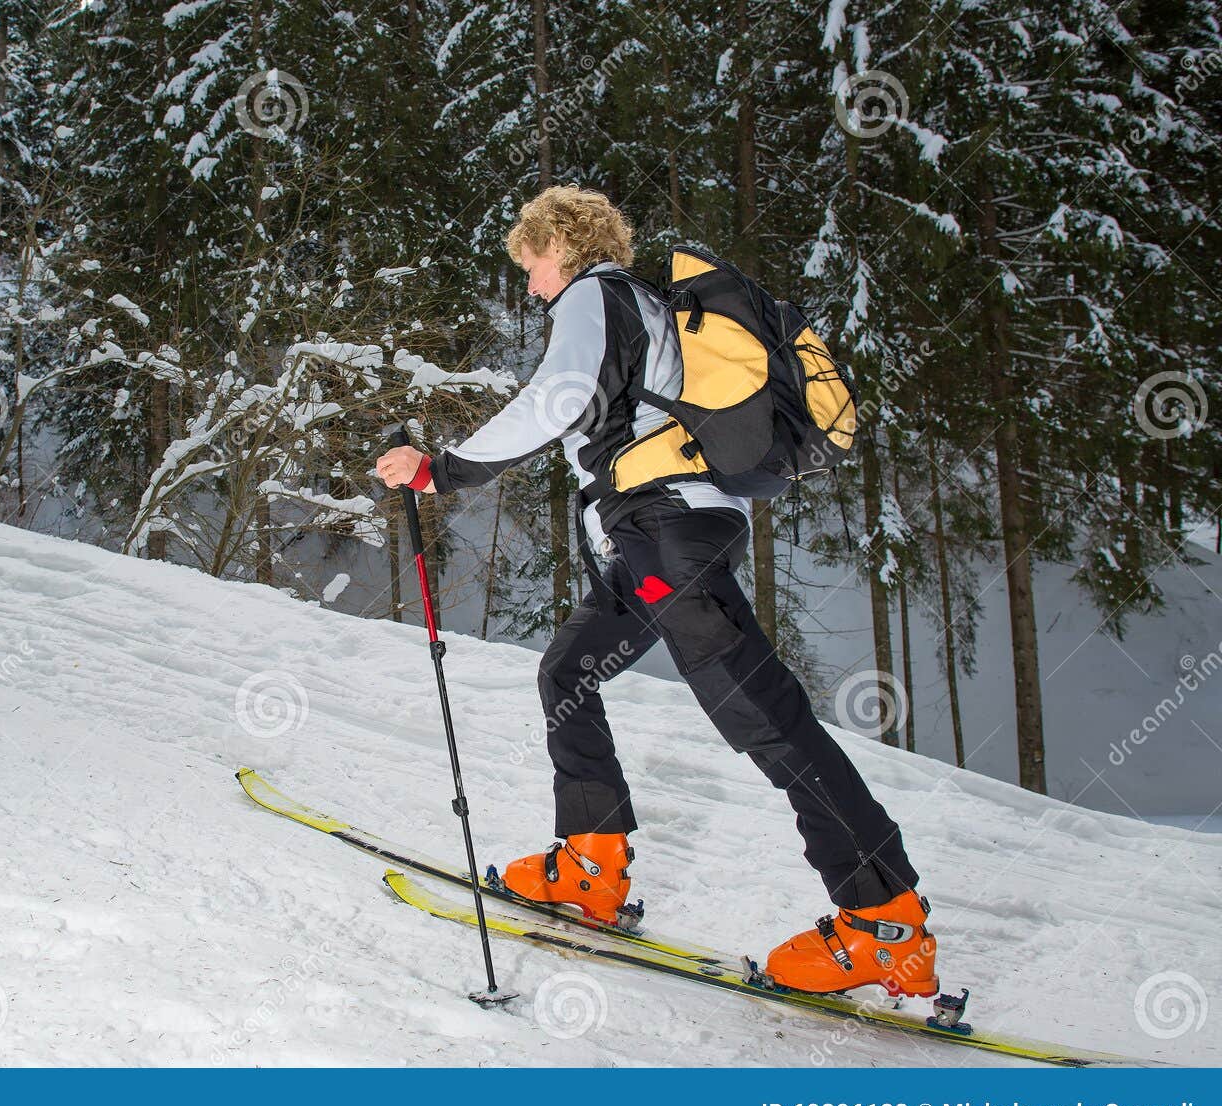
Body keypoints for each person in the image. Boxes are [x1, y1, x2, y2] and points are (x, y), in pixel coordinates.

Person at [374, 185, 937, 998]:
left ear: (559, 246)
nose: (531, 285)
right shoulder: (645, 309)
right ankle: (590, 867)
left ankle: (883, 919)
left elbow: (559, 400)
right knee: (568, 671)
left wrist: (444, 468)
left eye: (530, 264)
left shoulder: (594, 295)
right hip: (663, 533)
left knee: (763, 717)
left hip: (667, 531)